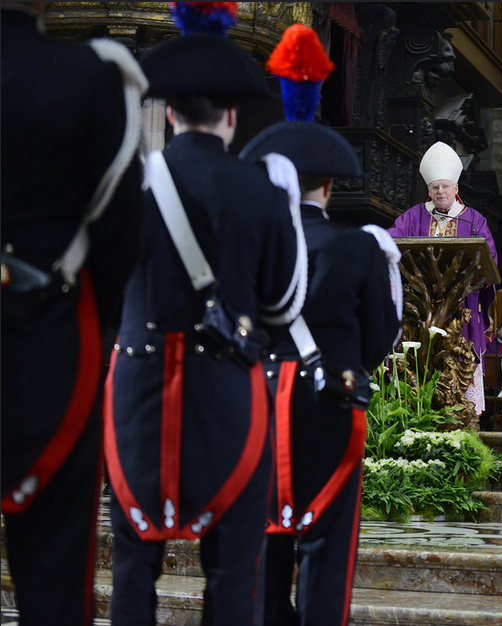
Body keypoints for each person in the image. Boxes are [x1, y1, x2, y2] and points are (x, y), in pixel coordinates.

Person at [103, 5, 308, 624]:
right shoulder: (265, 192)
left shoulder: (131, 185)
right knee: (232, 574)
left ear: (169, 111)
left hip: (138, 396)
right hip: (229, 396)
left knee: (132, 569)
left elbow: (107, 288)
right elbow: (279, 306)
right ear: (234, 115)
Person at [238, 23, 403, 626]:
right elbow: (380, 343)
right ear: (329, 186)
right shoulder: (362, 249)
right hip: (329, 403)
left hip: (260, 403)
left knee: (263, 540)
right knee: (327, 544)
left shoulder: (255, 242)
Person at [1, 3, 145, 623]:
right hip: (50, 344)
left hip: (52, 333)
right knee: (53, 579)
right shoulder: (88, 75)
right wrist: (99, 318)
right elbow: (118, 237)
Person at [386, 140, 498, 414]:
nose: (440, 191)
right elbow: (391, 240)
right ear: (428, 190)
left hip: (459, 304)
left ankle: (460, 408)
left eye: (445, 186)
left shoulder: (473, 220)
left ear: (456, 189)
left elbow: (489, 258)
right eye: (435, 187)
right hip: (419, 303)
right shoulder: (413, 216)